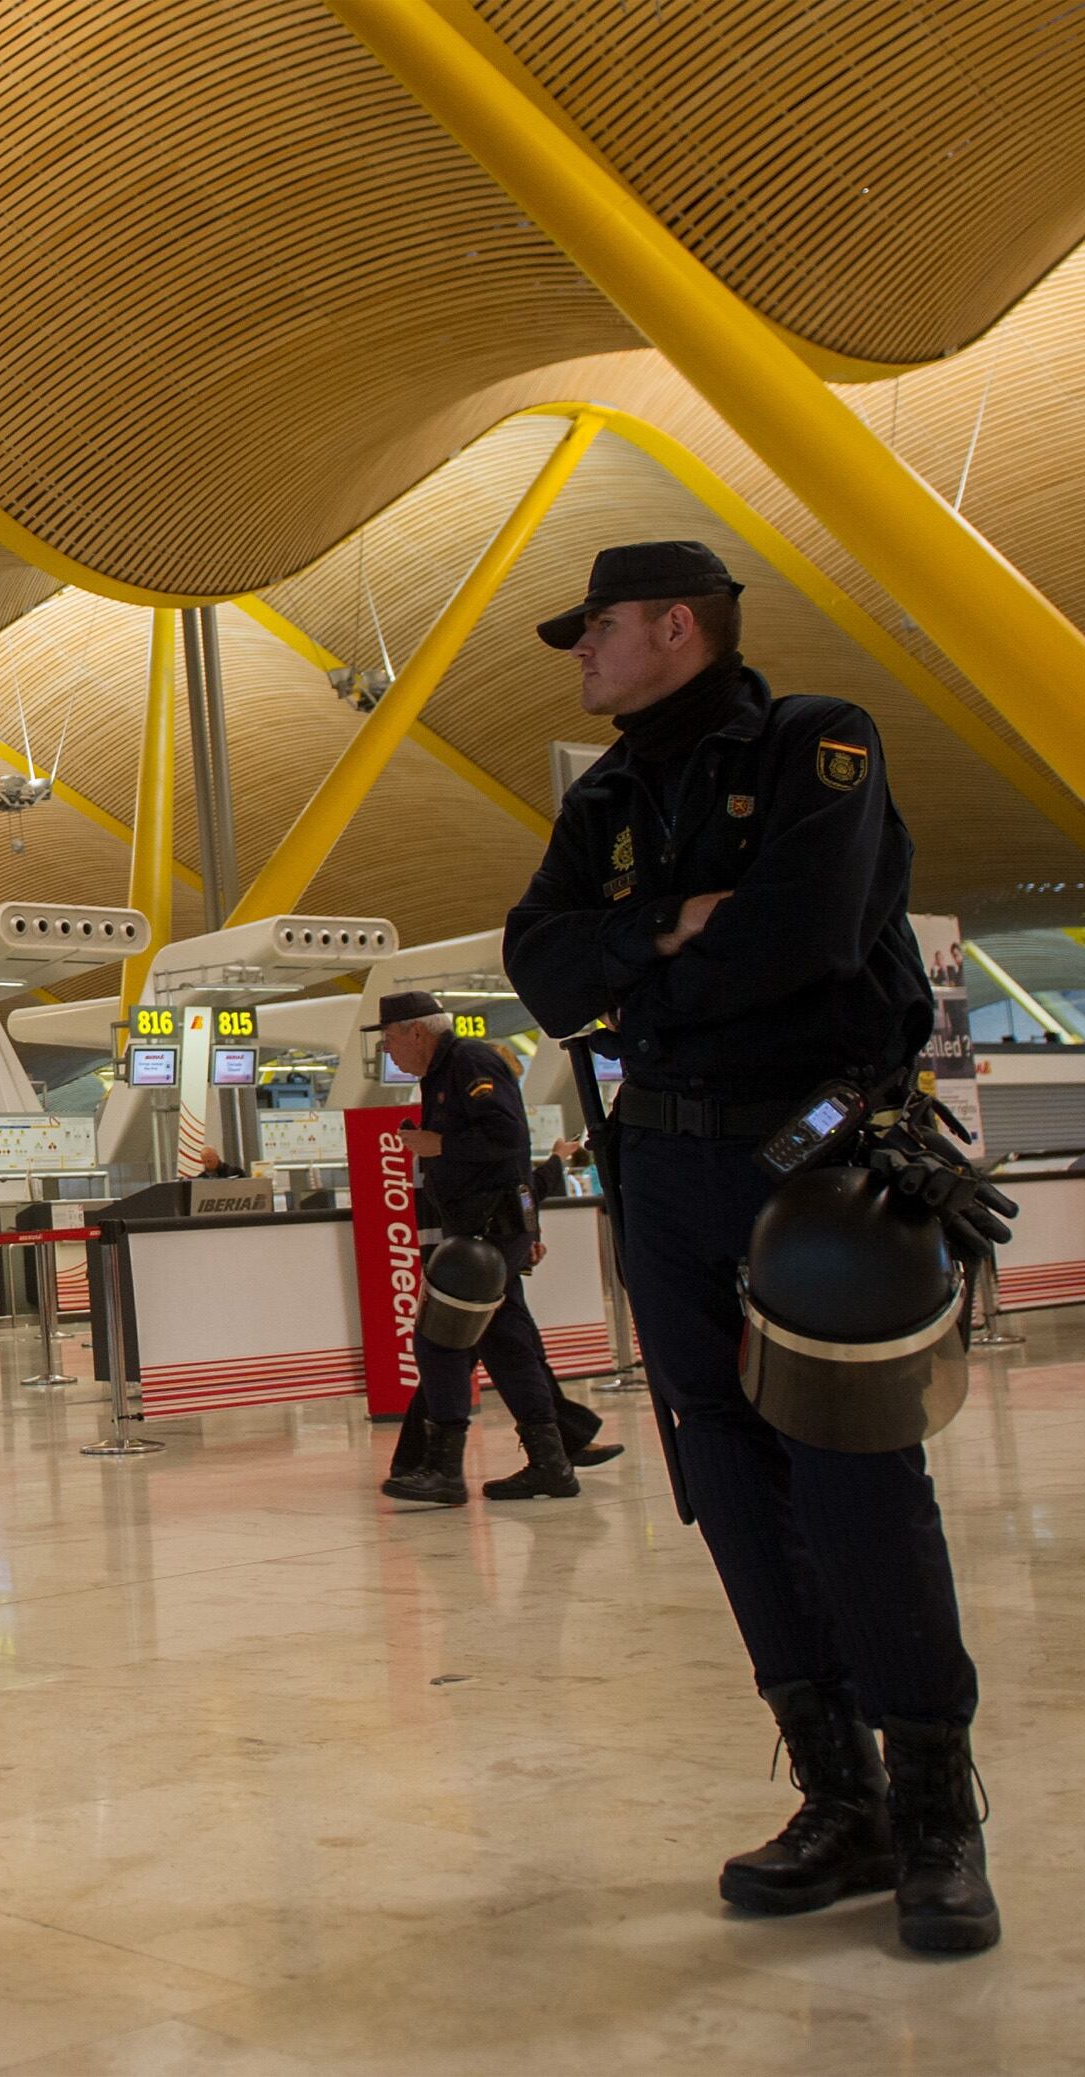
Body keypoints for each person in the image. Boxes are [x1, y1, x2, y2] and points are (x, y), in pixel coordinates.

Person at [504, 540, 996, 1954]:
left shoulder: (815, 745)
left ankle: (937, 1807)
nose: (580, 654)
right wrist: (667, 924)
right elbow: (540, 967)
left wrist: (640, 960)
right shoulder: (602, 795)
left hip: (817, 1153)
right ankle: (837, 1793)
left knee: (853, 1472)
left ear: (678, 624)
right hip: (663, 1164)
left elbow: (805, 935)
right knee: (723, 1473)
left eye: (595, 628)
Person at [370, 991, 622, 1506]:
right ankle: (551, 1462)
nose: (388, 1052)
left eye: (390, 1040)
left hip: (486, 1232)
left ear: (417, 1031)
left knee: (440, 1342)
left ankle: (443, 1470)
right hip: (485, 1230)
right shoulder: (441, 1072)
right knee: (508, 1347)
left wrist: (442, 1147)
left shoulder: (471, 1061)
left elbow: (508, 1139)